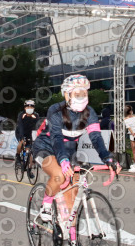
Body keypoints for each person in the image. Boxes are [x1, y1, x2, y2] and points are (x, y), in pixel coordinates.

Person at [32, 75, 120, 223]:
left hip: (69, 151)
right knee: (59, 175)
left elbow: (96, 138)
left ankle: (71, 235)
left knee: (73, 198)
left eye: (84, 93)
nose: (81, 97)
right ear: (67, 95)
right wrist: (63, 160)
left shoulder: (90, 113)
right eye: (77, 94)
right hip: (46, 147)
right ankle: (46, 205)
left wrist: (107, 157)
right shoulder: (55, 110)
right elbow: (56, 138)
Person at [15, 99, 39, 164]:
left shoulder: (36, 115)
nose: (29, 108)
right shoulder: (21, 115)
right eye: (28, 107)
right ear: (25, 108)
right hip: (20, 131)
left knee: (28, 149)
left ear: (34, 108)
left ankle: (29, 167)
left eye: (31, 107)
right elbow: (20, 126)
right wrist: (22, 137)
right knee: (21, 143)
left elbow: (38, 126)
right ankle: (18, 156)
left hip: (30, 133)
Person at [124, 105, 135, 173]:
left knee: (134, 150)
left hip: (133, 136)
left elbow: (129, 128)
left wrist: (133, 133)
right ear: (131, 111)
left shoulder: (125, 119)